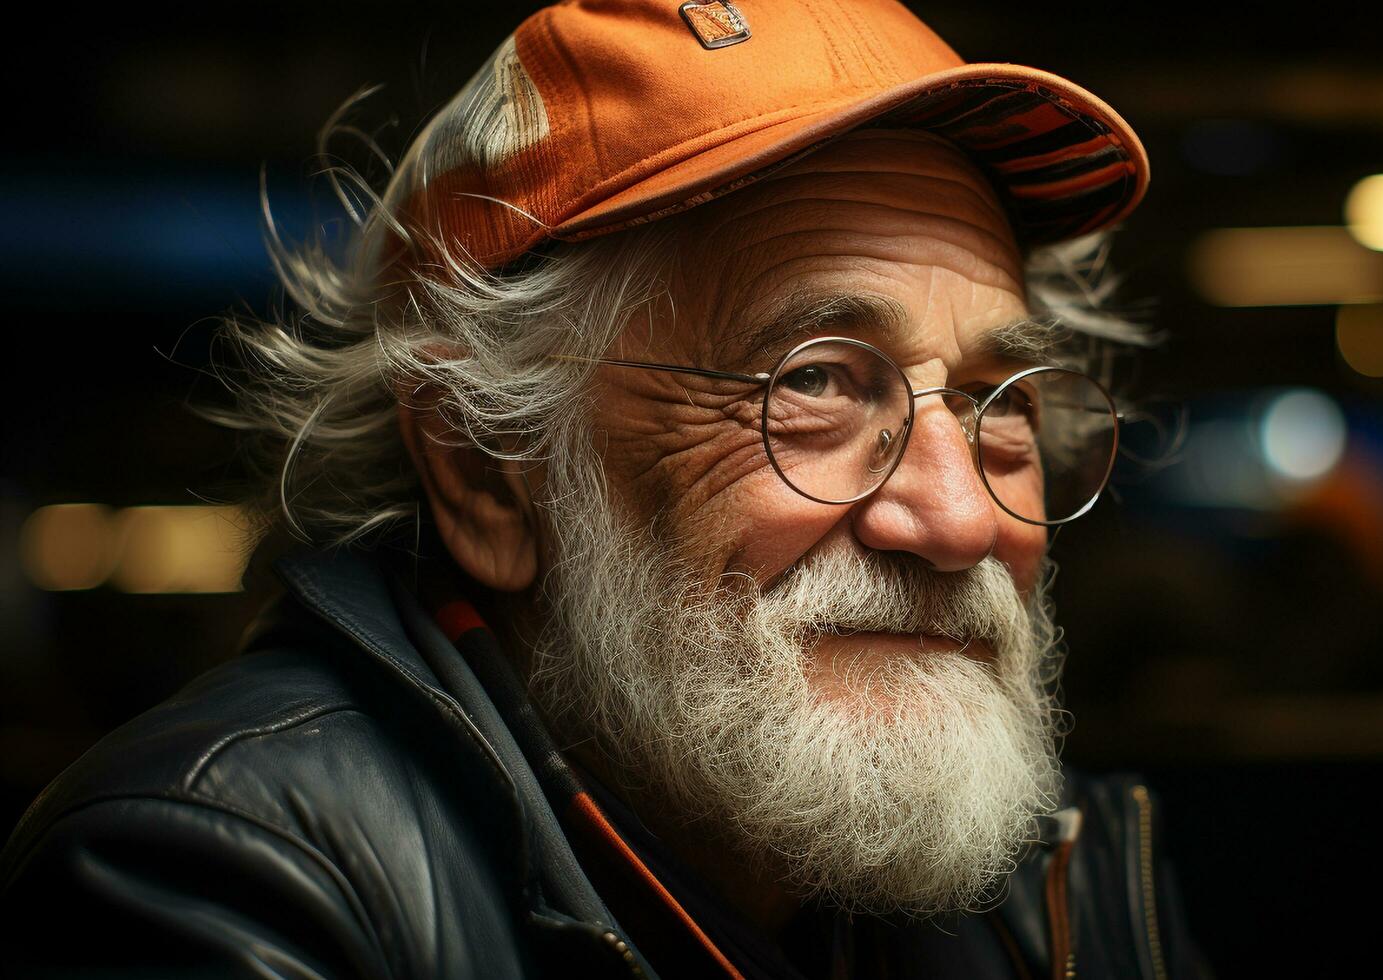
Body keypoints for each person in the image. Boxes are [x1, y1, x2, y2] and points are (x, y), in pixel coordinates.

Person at [1, 2, 1202, 976]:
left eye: (1003, 405)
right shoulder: (224, 870)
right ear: (487, 473)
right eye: (819, 384)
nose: (960, 517)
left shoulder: (1053, 874)